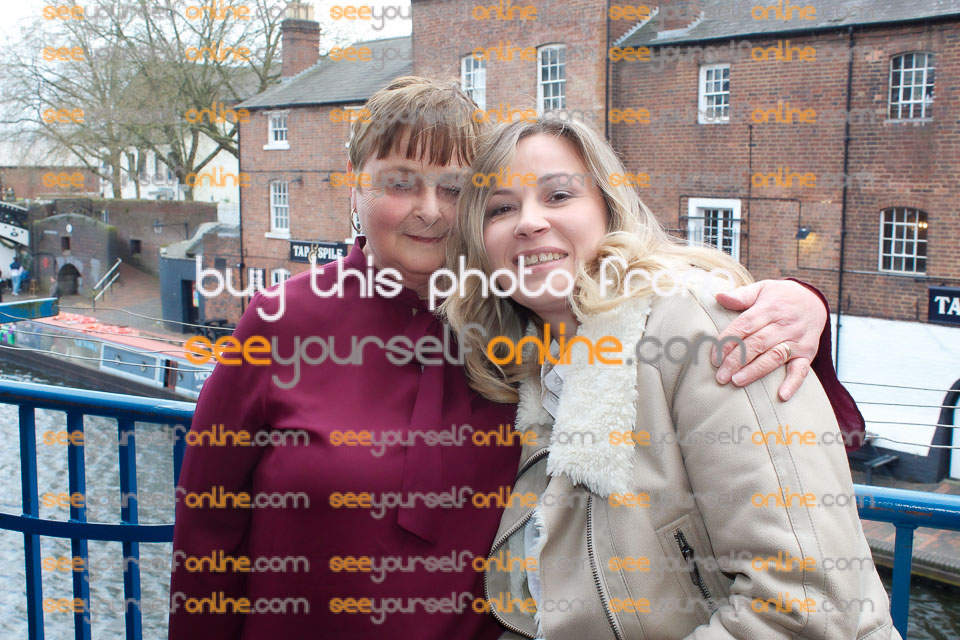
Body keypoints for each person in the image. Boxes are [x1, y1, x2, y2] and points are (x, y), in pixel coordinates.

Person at [169, 77, 846, 639]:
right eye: (400, 182)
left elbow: (659, 313)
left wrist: (798, 303)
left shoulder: (515, 322)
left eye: (455, 189)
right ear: (356, 190)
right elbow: (207, 529)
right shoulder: (282, 320)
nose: (430, 211)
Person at [441, 117, 898, 639]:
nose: (528, 222)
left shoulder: (698, 325)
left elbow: (806, 607)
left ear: (609, 208)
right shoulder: (532, 371)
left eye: (559, 195)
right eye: (501, 208)